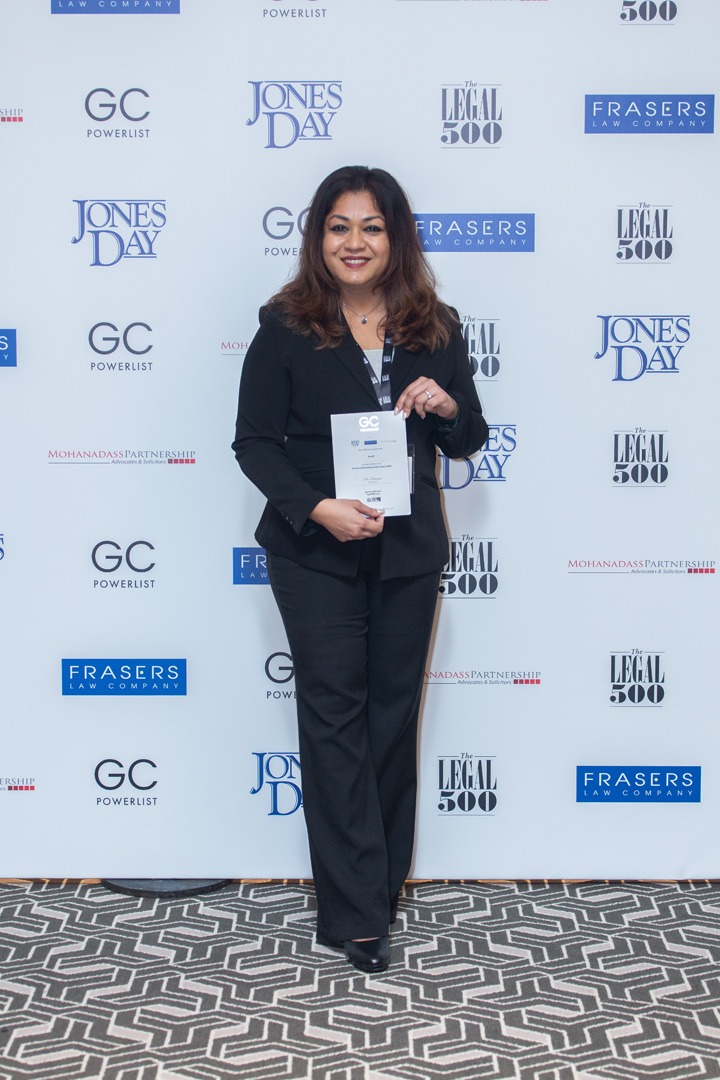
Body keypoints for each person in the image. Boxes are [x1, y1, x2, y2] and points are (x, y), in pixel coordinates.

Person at [232, 165, 488, 973]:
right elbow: (253, 443)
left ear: (395, 237)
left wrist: (448, 407)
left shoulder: (436, 325)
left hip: (407, 550)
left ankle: (377, 889)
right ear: (319, 237)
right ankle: (355, 914)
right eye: (339, 226)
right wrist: (317, 508)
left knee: (391, 717)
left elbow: (469, 438)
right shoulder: (285, 325)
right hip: (315, 550)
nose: (354, 242)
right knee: (334, 717)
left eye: (371, 227)